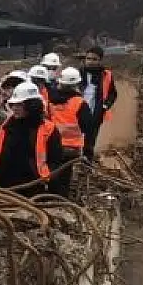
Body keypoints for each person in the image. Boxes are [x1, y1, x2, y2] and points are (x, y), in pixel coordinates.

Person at [0, 81, 65, 192]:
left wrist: (48, 179)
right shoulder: (5, 127)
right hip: (5, 185)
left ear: (32, 105)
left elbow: (55, 161)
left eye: (19, 105)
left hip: (35, 186)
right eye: (13, 105)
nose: (15, 108)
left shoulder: (48, 129)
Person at [48, 67, 92, 197]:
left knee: (53, 173)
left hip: (52, 145)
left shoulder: (51, 100)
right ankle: (62, 201)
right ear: (76, 84)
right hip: (71, 147)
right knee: (66, 176)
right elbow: (87, 126)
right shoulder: (79, 103)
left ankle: (51, 197)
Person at [80, 46, 117, 160]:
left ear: (100, 60)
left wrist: (105, 106)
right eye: (88, 58)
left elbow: (113, 94)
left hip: (95, 114)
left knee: (89, 144)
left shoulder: (106, 75)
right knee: (73, 143)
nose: (90, 62)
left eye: (94, 59)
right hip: (77, 113)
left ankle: (87, 167)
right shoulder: (77, 73)